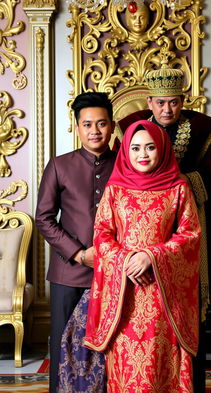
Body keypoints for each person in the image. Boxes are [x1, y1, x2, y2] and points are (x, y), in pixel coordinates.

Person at [118, 64, 211, 392]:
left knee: (188, 310)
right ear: (150, 102)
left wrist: (180, 181)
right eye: (161, 102)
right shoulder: (133, 129)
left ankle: (188, 384)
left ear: (183, 101)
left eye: (175, 102)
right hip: (142, 232)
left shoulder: (201, 128)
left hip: (188, 225)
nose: (168, 109)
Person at [84, 120, 201, 392]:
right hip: (124, 296)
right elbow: (102, 234)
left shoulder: (178, 189)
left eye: (150, 147)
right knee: (127, 369)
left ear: (162, 149)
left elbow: (190, 234)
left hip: (164, 296)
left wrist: (151, 255)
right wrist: (125, 260)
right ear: (126, 151)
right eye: (135, 148)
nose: (143, 154)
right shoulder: (115, 190)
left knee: (162, 364)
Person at [35, 92, 116, 393]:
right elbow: (43, 218)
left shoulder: (126, 165)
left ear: (112, 125)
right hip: (68, 274)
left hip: (114, 274)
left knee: (111, 348)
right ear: (77, 127)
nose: (95, 130)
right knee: (63, 349)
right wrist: (79, 254)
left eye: (102, 123)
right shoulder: (59, 165)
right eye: (87, 124)